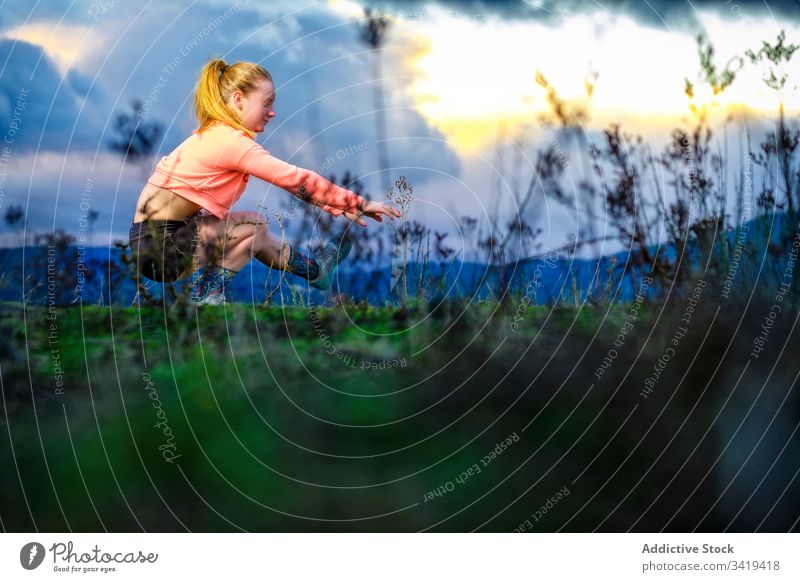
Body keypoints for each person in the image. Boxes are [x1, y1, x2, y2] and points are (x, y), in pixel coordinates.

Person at [128, 58, 399, 305]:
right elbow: (296, 179)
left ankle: (316, 270)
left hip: (158, 243)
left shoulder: (216, 134)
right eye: (266, 102)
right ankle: (204, 293)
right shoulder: (229, 142)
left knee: (256, 236)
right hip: (160, 248)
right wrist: (357, 202)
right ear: (238, 100)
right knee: (253, 224)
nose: (272, 112)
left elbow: (300, 186)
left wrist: (333, 205)